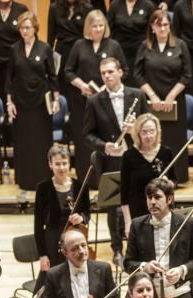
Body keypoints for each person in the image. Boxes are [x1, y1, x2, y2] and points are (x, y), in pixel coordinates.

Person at [83, 56, 148, 265]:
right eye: (103, 73)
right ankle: (117, 249)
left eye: (111, 71)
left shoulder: (137, 95)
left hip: (137, 157)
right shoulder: (94, 101)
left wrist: (134, 129)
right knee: (114, 207)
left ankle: (139, 245)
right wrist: (104, 146)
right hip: (112, 161)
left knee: (139, 201)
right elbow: (87, 134)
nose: (107, 76)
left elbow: (149, 125)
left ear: (121, 72)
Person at [65, 10, 128, 180]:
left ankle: (108, 177)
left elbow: (125, 70)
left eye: (101, 25)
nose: (98, 29)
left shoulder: (113, 45)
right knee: (84, 138)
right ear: (88, 27)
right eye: (94, 26)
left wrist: (110, 85)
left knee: (105, 137)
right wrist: (82, 85)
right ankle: (86, 178)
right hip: (83, 101)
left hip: (107, 102)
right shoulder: (79, 45)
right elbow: (68, 71)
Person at [134, 8, 192, 183]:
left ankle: (176, 177)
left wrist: (170, 97)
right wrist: (152, 96)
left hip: (174, 101)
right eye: (159, 25)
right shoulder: (144, 46)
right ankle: (152, 176)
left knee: (174, 140)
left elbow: (187, 74)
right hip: (152, 102)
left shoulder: (180, 45)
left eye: (166, 24)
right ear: (152, 27)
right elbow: (137, 74)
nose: (163, 28)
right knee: (153, 138)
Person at [6, 12, 59, 192]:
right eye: (21, 28)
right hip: (21, 103)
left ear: (35, 28)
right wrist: (9, 102)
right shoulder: (14, 49)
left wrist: (56, 99)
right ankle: (25, 179)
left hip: (40, 103)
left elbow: (52, 76)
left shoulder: (45, 48)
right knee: (24, 142)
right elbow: (9, 77)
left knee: (41, 142)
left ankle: (43, 179)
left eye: (27, 27)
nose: (24, 31)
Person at [35, 145, 91, 272]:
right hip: (52, 240)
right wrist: (42, 255)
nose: (61, 168)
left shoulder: (80, 186)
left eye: (65, 163)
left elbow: (87, 213)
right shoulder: (43, 188)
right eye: (57, 164)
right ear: (50, 164)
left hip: (75, 239)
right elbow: (38, 224)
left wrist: (81, 218)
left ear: (69, 163)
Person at [119, 113, 175, 222]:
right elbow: (124, 193)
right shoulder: (129, 156)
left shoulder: (166, 152)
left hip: (162, 210)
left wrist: (169, 183)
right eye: (144, 132)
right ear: (137, 133)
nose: (148, 136)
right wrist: (128, 221)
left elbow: (174, 179)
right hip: (138, 213)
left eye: (151, 131)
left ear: (157, 132)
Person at [47, 0, 91, 103]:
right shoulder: (54, 8)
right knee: (63, 85)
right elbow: (50, 36)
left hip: (81, 51)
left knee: (80, 84)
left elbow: (89, 34)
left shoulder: (87, 8)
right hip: (62, 52)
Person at [108, 0, 156, 86]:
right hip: (120, 51)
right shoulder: (115, 4)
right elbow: (110, 30)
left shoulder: (148, 5)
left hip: (142, 51)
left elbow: (152, 31)